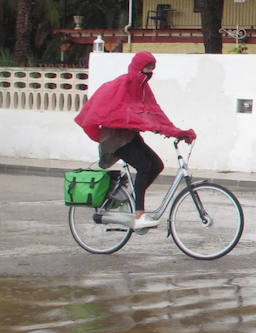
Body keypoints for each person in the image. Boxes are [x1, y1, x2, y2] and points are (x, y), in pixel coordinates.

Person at [74, 52, 196, 230]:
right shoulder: (121, 84)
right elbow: (117, 111)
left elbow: (155, 113)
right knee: (144, 167)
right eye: (146, 68)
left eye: (152, 69)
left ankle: (130, 200)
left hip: (129, 137)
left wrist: (175, 132)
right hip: (115, 139)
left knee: (157, 165)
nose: (149, 72)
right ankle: (139, 215)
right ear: (137, 67)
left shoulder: (143, 89)